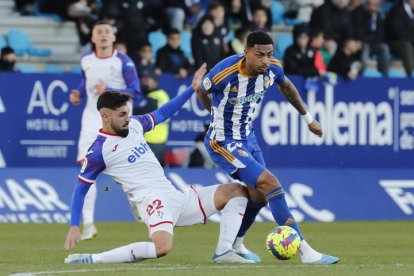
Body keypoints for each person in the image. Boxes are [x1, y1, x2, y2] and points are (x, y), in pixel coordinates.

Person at [64, 65, 253, 264]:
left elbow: (163, 113)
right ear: (105, 117)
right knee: (162, 248)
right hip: (152, 201)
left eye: (127, 112)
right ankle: (92, 259)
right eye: (121, 115)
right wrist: (75, 226)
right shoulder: (98, 151)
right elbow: (80, 189)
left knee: (237, 191)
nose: (127, 118)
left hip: (176, 196)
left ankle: (224, 251)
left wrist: (192, 88)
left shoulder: (135, 123)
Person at [194, 30, 339, 264]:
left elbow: (288, 87)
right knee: (272, 183)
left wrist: (309, 119)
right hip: (222, 140)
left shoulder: (273, 68)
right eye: (259, 55)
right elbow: (202, 89)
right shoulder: (224, 73)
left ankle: (233, 246)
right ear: (246, 52)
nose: (265, 61)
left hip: (248, 137)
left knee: (260, 196)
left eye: (269, 55)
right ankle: (306, 251)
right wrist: (213, 114)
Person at [69, 20, 142, 241]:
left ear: (113, 37)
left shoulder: (123, 61)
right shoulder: (86, 60)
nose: (102, 35)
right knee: (86, 171)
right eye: (98, 32)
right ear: (92, 38)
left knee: (124, 172)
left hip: (119, 123)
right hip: (91, 122)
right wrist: (78, 94)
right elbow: (86, 82)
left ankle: (138, 203)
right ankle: (89, 223)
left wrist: (109, 90)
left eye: (106, 32)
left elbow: (135, 92)